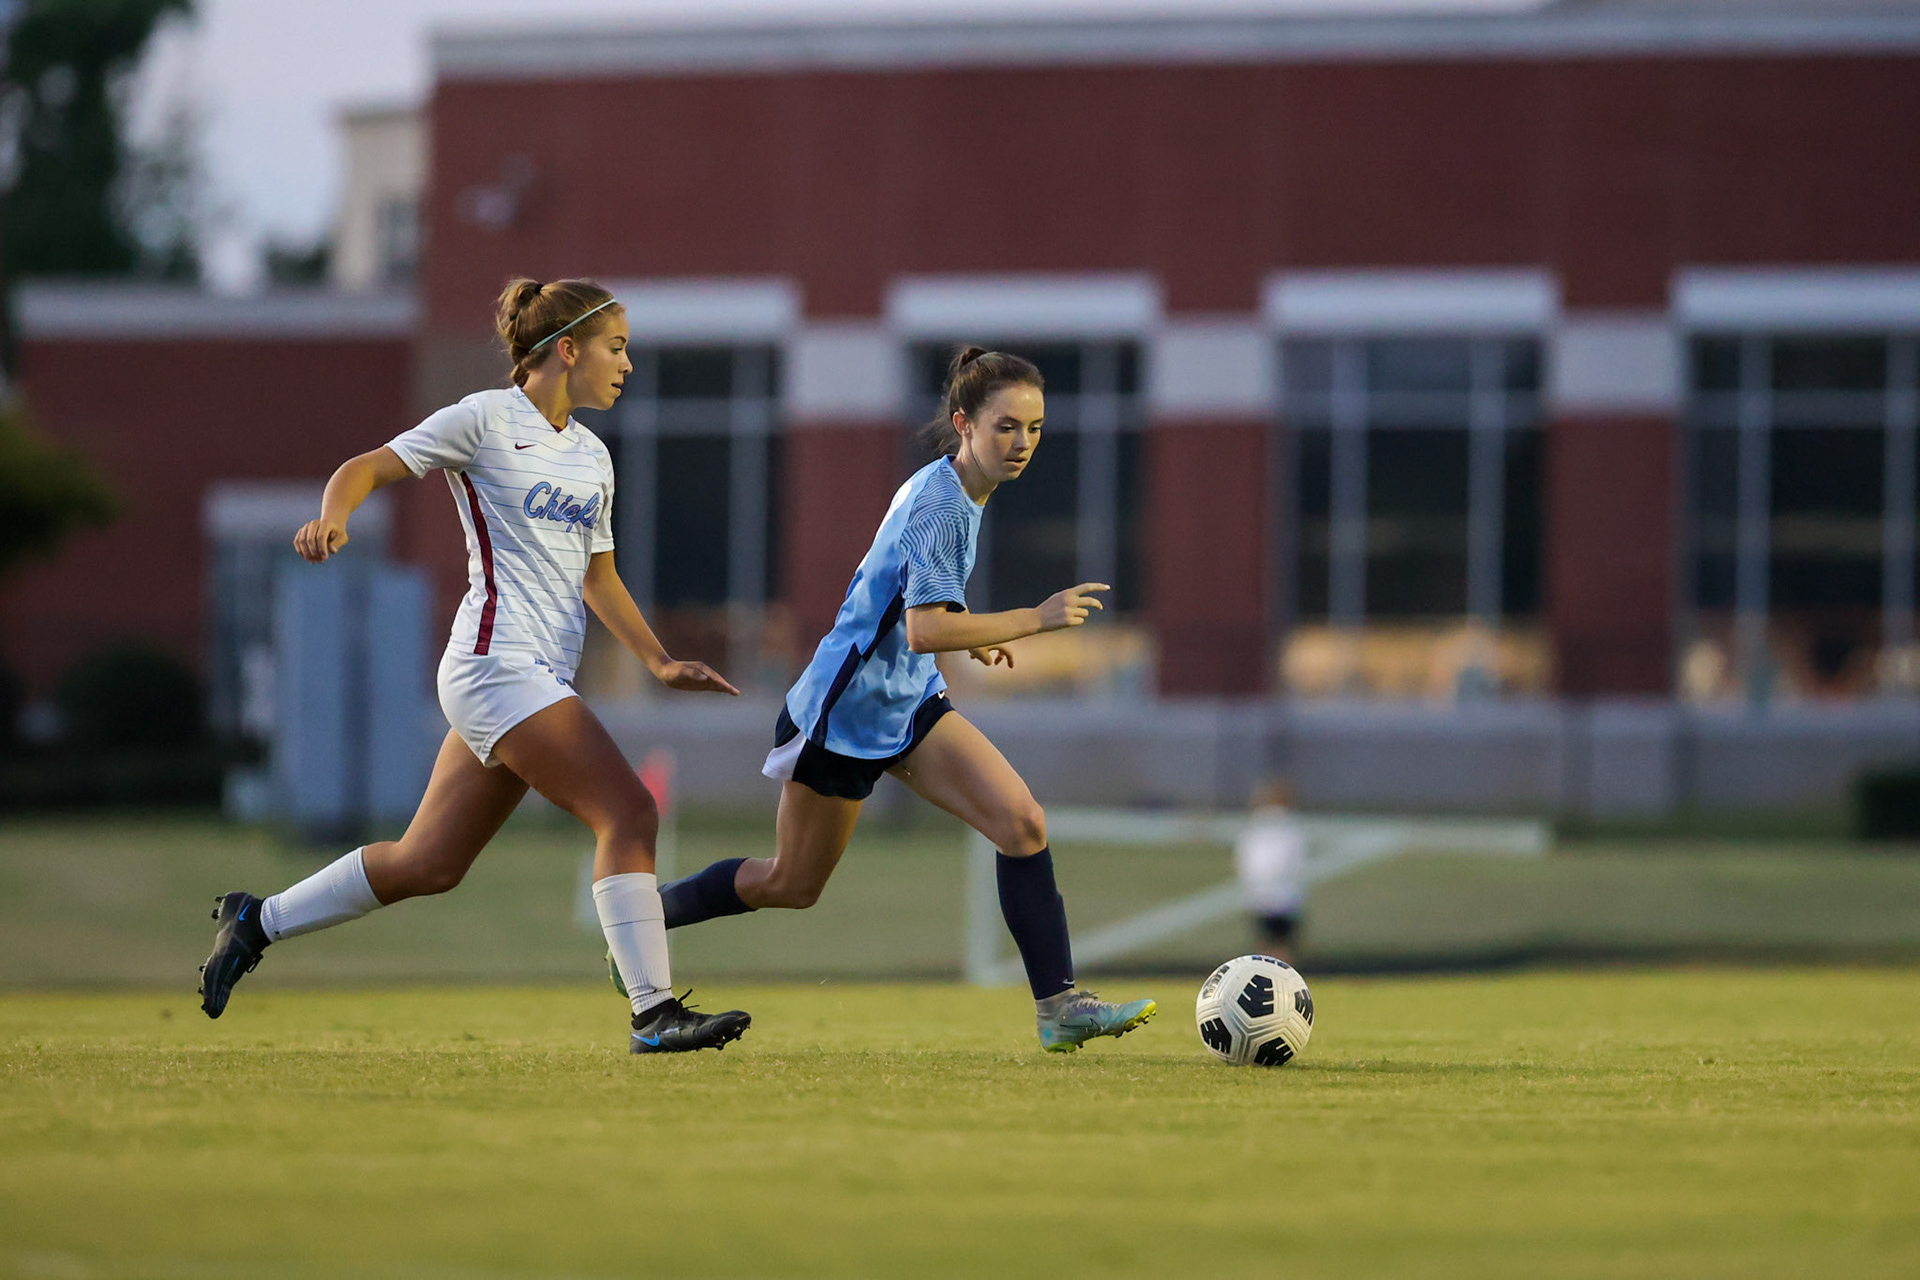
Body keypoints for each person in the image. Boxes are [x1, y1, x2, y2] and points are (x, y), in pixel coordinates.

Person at [198, 278, 751, 1055]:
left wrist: (658, 662)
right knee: (628, 812)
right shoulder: (484, 419)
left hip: (530, 679)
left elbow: (599, 577)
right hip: (495, 665)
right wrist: (334, 516)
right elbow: (369, 465)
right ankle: (653, 1014)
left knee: (429, 863)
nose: (628, 364)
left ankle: (256, 921)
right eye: (617, 347)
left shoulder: (592, 455)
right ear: (567, 350)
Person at [652, 347, 1157, 1052]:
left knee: (1022, 825)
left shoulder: (958, 488)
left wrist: (968, 634)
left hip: (909, 702)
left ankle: (1059, 1006)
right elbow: (923, 629)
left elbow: (908, 602)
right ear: (964, 423)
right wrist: (1031, 619)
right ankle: (640, 921)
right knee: (791, 883)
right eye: (1006, 427)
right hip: (842, 714)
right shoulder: (942, 503)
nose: (1022, 443)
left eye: (1035, 429)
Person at [1235, 779, 1307, 964]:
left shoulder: (1259, 825)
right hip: (1281, 896)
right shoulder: (1285, 825)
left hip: (1268, 896)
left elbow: (1249, 860)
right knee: (1278, 946)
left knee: (1270, 946)